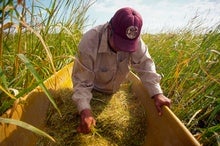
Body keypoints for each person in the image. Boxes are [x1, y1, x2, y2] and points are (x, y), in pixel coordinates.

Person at [72, 7, 171, 134]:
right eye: (119, 43)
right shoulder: (90, 41)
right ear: (109, 29)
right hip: (93, 90)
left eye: (127, 46)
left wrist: (157, 93)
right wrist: (85, 110)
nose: (121, 49)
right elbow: (82, 80)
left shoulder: (134, 38)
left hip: (115, 89)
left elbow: (145, 65)